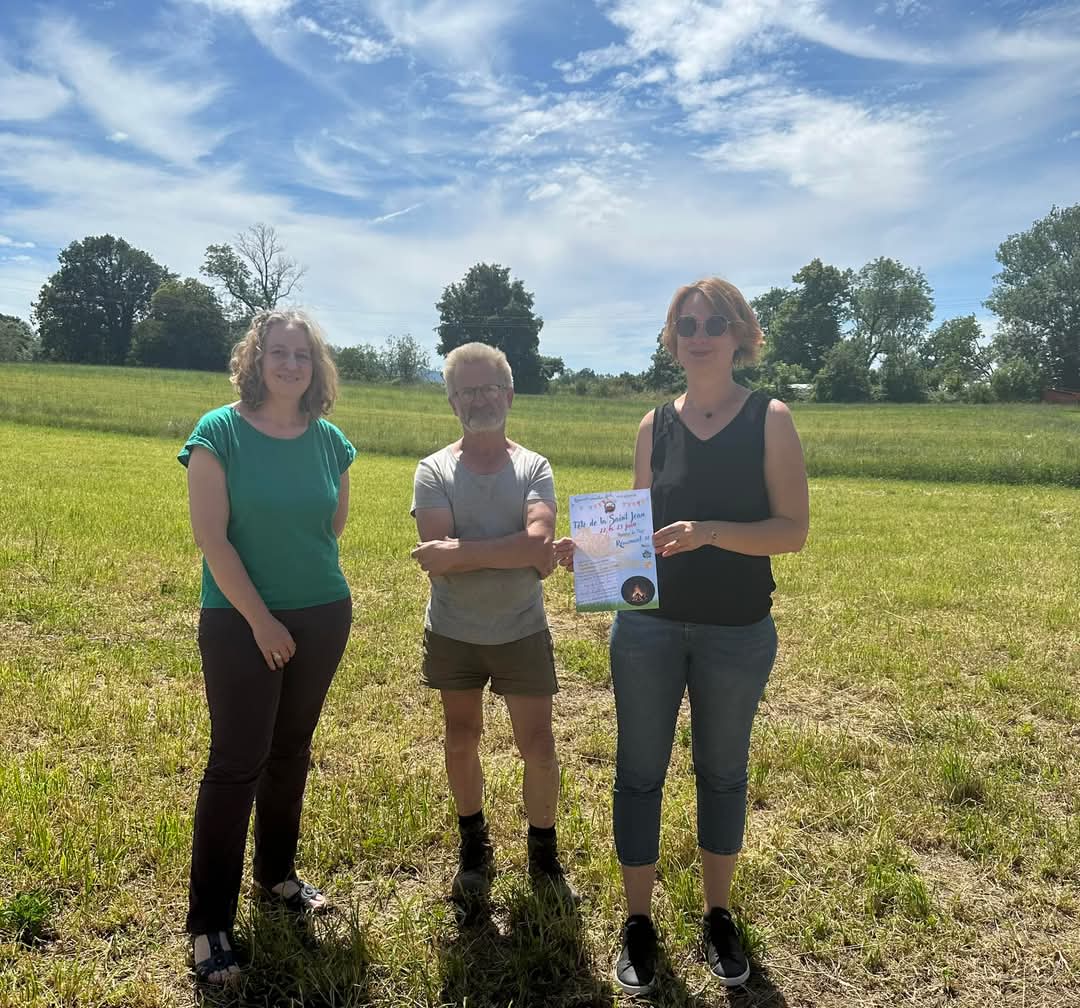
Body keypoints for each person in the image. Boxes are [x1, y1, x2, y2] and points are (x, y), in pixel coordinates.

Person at [555, 278, 809, 994]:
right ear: (672, 338)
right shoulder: (652, 425)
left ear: (739, 335)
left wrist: (711, 534)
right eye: (686, 322)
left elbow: (793, 532)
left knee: (723, 774)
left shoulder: (770, 418)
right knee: (639, 774)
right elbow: (636, 530)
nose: (699, 332)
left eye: (714, 322)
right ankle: (638, 922)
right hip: (648, 629)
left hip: (738, 630)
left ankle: (718, 915)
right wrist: (593, 551)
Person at [178, 310, 356, 985]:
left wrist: (296, 613)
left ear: (315, 368)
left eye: (301, 355)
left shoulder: (331, 441)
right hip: (239, 620)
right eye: (277, 352)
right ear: (255, 360)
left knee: (291, 751)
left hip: (322, 614)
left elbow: (332, 527)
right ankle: (209, 923)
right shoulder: (217, 432)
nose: (289, 365)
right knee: (236, 763)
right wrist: (260, 620)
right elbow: (213, 540)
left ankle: (278, 877)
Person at [410, 342, 575, 910]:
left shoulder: (534, 466)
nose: (480, 399)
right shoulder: (432, 470)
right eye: (467, 390)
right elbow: (442, 553)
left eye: (490, 388)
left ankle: (543, 852)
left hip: (522, 630)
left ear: (509, 393)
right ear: (452, 400)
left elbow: (537, 542)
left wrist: (461, 552)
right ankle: (473, 847)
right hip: (454, 631)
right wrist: (515, 552)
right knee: (461, 739)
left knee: (539, 745)